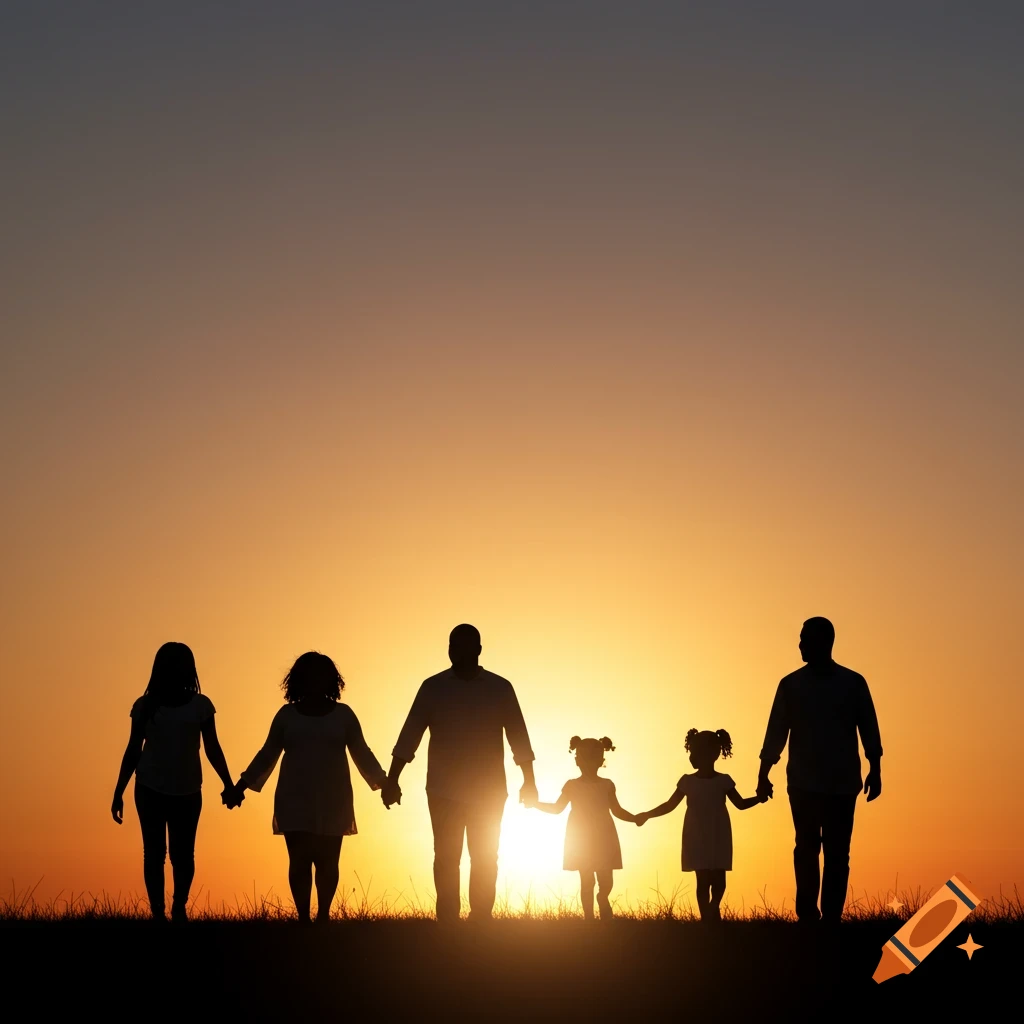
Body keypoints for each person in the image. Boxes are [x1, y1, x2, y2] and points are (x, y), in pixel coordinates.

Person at [383, 623, 536, 923]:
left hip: (488, 791)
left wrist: (529, 782)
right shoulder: (433, 687)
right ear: (449, 649)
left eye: (466, 646)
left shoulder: (499, 688)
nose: (459, 652)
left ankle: (481, 917)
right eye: (454, 646)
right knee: (446, 857)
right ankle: (448, 919)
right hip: (443, 790)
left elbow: (519, 736)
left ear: (479, 649)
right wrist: (392, 779)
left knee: (485, 857)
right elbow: (409, 734)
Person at [227, 652, 389, 924]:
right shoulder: (287, 716)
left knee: (328, 861)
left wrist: (385, 784)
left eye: (320, 675)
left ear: (330, 681)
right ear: (299, 681)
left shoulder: (344, 715)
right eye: (309, 675)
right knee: (300, 861)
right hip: (295, 797)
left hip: (333, 798)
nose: (315, 681)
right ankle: (303, 918)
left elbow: (362, 753)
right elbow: (267, 754)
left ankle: (323, 916)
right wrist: (240, 786)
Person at [757, 617, 883, 925]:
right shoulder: (791, 684)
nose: (799, 644)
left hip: (841, 784)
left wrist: (875, 767)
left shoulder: (853, 683)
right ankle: (808, 915)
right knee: (807, 848)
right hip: (803, 783)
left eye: (804, 638)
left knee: (837, 852)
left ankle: (831, 917)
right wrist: (764, 772)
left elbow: (868, 725)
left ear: (823, 641)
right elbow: (776, 732)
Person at [111, 641, 238, 922]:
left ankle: (179, 907)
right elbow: (133, 749)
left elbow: (213, 748)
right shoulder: (144, 706)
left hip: (188, 790)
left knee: (183, 855)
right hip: (149, 787)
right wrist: (118, 791)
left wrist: (228, 784)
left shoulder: (201, 706)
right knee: (154, 853)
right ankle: (157, 912)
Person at [636, 728, 764, 922]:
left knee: (719, 881)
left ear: (714, 754)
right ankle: (707, 919)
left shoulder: (724, 780)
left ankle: (712, 909)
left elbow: (740, 804)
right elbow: (669, 805)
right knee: (703, 881)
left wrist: (759, 799)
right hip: (695, 836)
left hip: (718, 834)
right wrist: (647, 815)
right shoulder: (687, 781)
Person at [526, 736, 637, 921]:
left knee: (606, 880)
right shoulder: (572, 785)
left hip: (603, 837)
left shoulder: (607, 785)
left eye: (591, 758)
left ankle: (602, 898)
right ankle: (589, 919)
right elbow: (557, 808)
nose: (586, 762)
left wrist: (634, 818)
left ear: (601, 761)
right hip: (581, 838)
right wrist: (535, 804)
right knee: (587, 880)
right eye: (583, 757)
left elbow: (617, 810)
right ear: (577, 760)